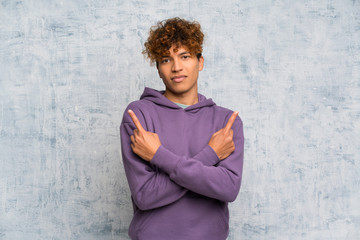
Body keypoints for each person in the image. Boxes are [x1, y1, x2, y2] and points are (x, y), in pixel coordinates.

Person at [120, 17, 244, 240]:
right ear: (158, 69)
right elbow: (145, 195)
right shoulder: (139, 115)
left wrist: (159, 156)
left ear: (200, 62)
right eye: (166, 60)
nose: (176, 68)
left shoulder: (226, 122)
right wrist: (211, 155)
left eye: (184, 56)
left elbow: (228, 189)